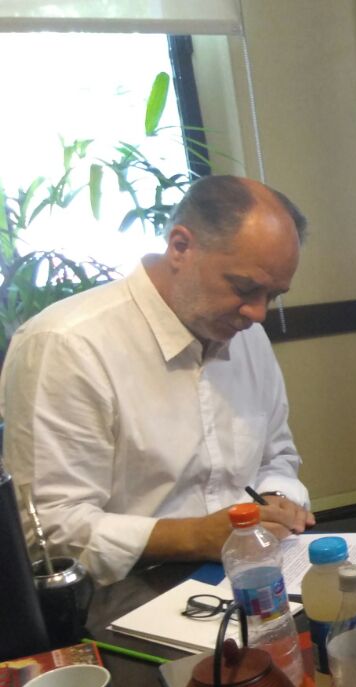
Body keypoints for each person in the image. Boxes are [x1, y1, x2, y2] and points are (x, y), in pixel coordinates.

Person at [0, 175, 315, 586]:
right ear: (180, 247)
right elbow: (48, 529)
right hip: (124, 591)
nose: (257, 313)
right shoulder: (67, 345)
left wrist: (276, 498)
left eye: (272, 296)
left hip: (252, 570)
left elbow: (277, 454)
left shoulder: (247, 337)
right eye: (244, 287)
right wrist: (194, 537)